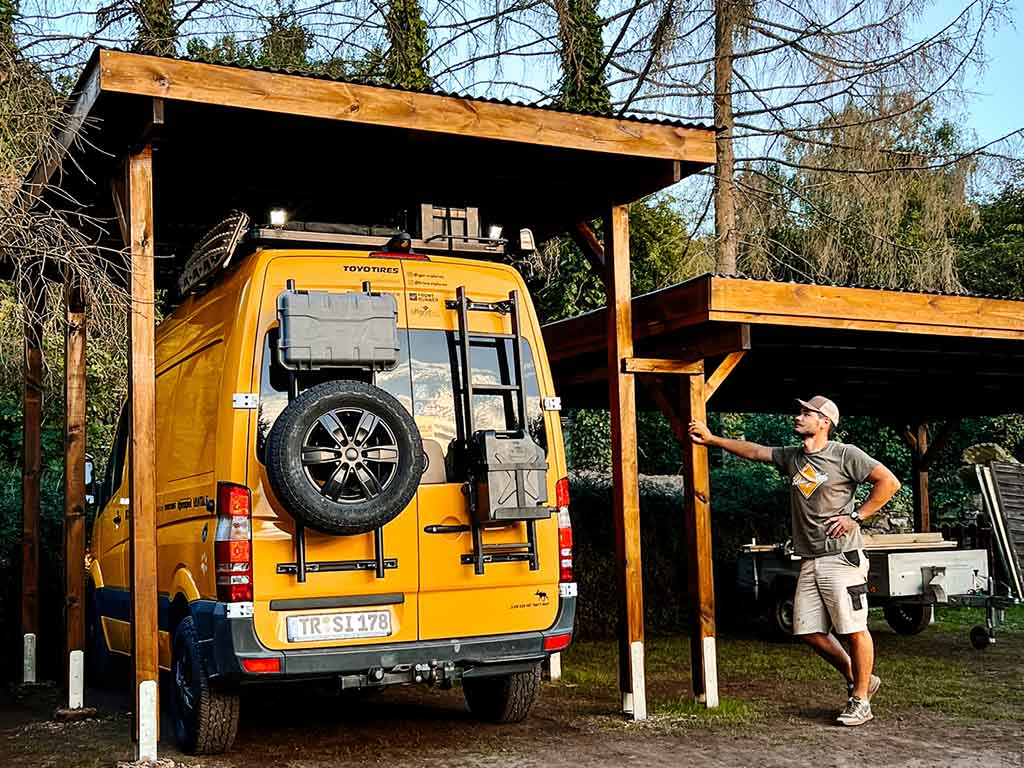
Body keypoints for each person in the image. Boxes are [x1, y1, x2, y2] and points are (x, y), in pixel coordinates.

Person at [688, 396, 901, 727]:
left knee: (854, 628)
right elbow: (756, 451)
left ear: (824, 422)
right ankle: (859, 676)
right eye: (800, 412)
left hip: (842, 556)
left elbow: (889, 482)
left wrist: (855, 516)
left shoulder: (846, 454)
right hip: (810, 558)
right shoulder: (793, 457)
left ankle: (860, 700)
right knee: (806, 629)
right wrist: (713, 438)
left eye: (807, 413)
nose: (798, 417)